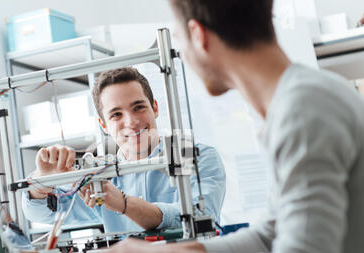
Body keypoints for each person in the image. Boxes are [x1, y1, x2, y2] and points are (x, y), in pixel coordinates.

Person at [87, 0, 364, 253]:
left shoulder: (303, 111)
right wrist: (179, 252)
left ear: (198, 35)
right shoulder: (296, 101)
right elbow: (269, 235)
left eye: (178, 40)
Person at [22, 67, 226, 234]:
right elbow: (41, 213)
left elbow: (199, 216)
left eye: (138, 107)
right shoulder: (102, 173)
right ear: (103, 124)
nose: (131, 122)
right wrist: (43, 183)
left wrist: (123, 203)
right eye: (116, 114)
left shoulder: (189, 153)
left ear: (155, 108)